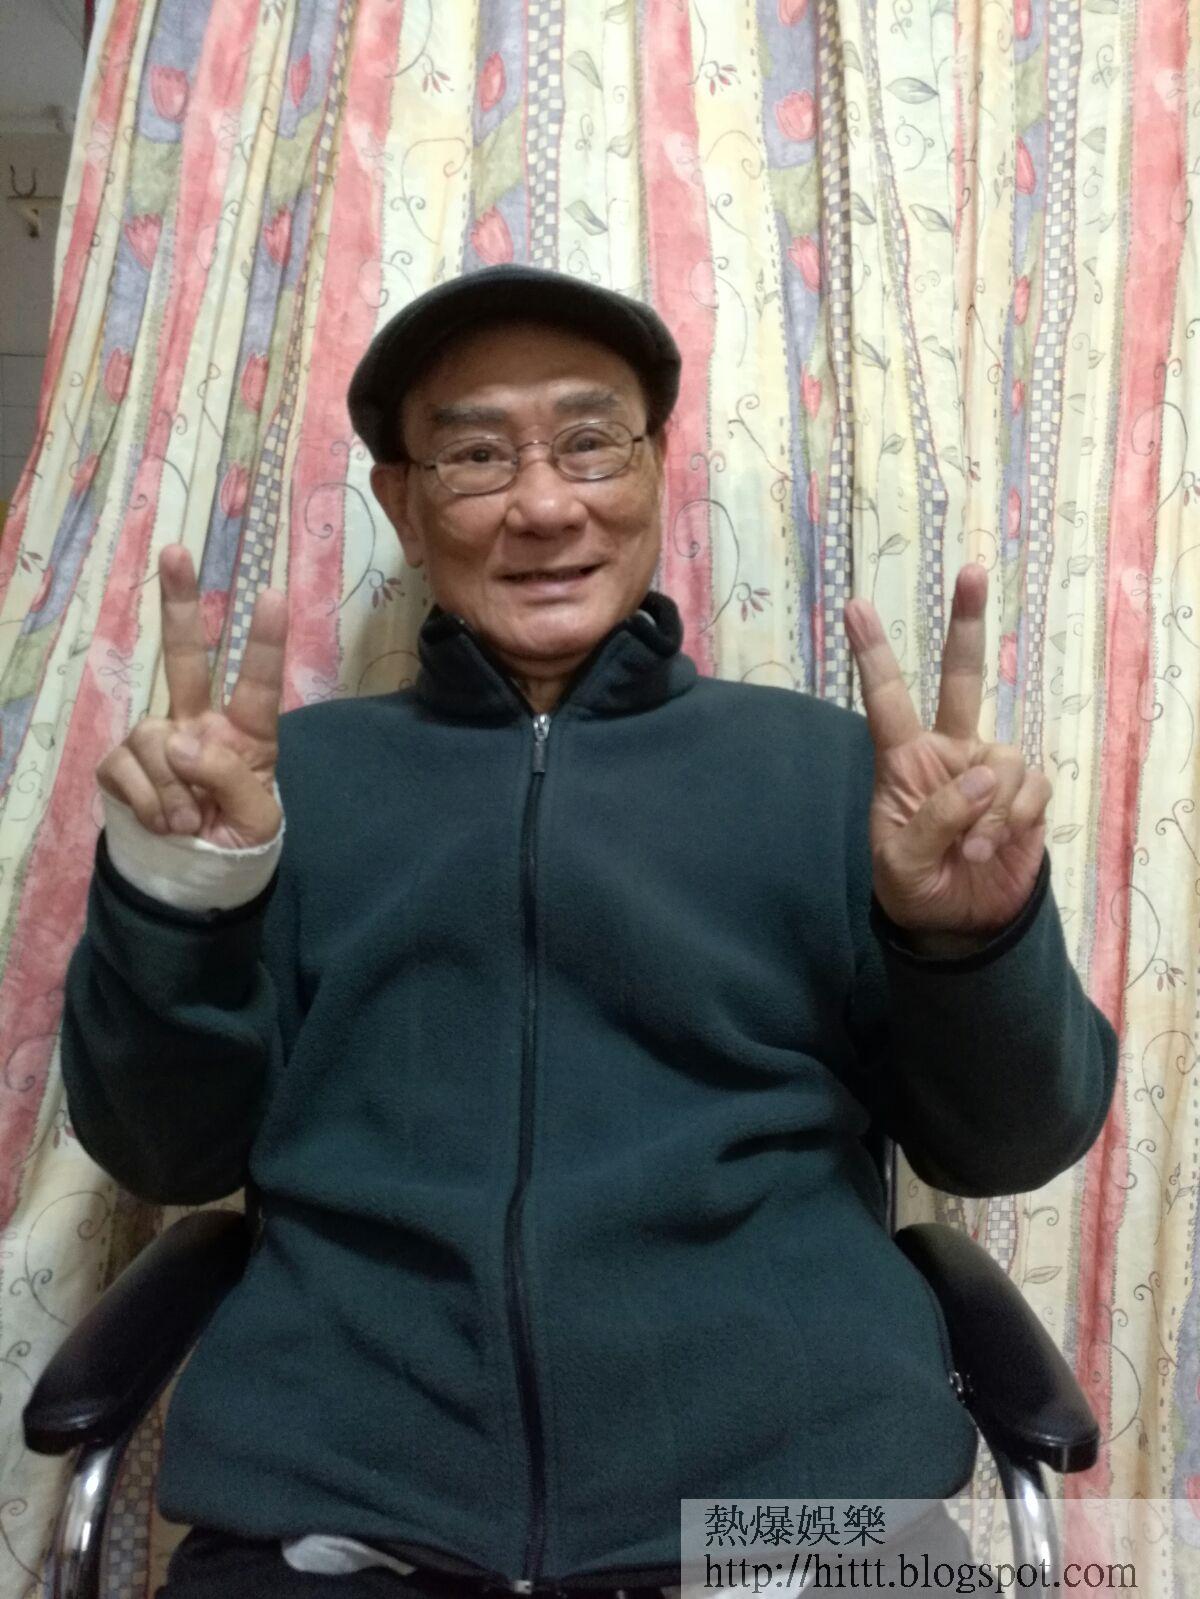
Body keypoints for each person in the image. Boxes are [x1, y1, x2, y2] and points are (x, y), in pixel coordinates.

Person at [60, 266, 1118, 1599]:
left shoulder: (844, 782)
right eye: (475, 454)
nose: (546, 503)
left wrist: (969, 942)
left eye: (588, 441)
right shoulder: (281, 789)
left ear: (657, 469)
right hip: (348, 1529)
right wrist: (183, 890)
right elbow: (163, 1150)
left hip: (796, 1521)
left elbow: (1013, 1144)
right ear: (401, 503)